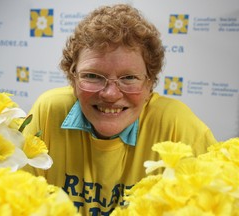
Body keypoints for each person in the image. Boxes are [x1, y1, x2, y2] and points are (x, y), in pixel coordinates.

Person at [23, 4, 217, 215]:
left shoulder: (177, 125)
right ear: (73, 79)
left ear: (149, 83)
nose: (110, 94)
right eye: (92, 76)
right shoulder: (49, 111)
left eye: (129, 78)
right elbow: (18, 199)